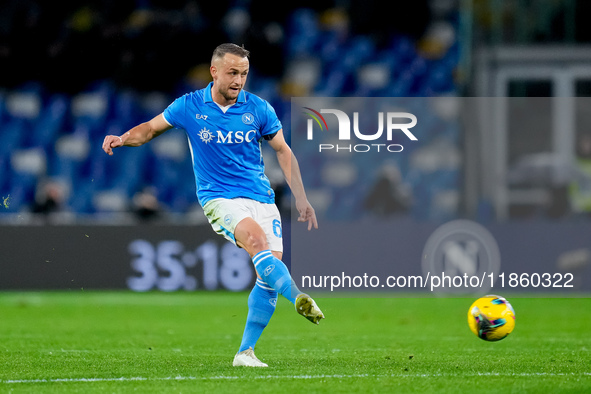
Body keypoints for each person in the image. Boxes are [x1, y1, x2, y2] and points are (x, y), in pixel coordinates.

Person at [102, 43, 324, 367]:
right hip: (219, 197)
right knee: (257, 243)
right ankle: (300, 298)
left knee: (267, 278)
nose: (238, 80)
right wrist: (122, 138)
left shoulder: (259, 108)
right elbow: (150, 129)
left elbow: (283, 150)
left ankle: (245, 353)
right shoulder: (189, 106)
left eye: (244, 74)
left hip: (262, 198)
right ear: (214, 71)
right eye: (233, 73)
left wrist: (302, 199)